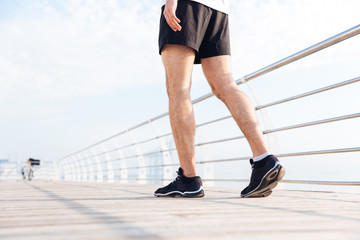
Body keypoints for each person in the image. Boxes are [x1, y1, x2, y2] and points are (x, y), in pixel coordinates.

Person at [154, 0, 285, 198]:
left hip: (185, 6)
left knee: (178, 90)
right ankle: (263, 160)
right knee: (225, 85)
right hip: (218, 10)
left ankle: (188, 180)